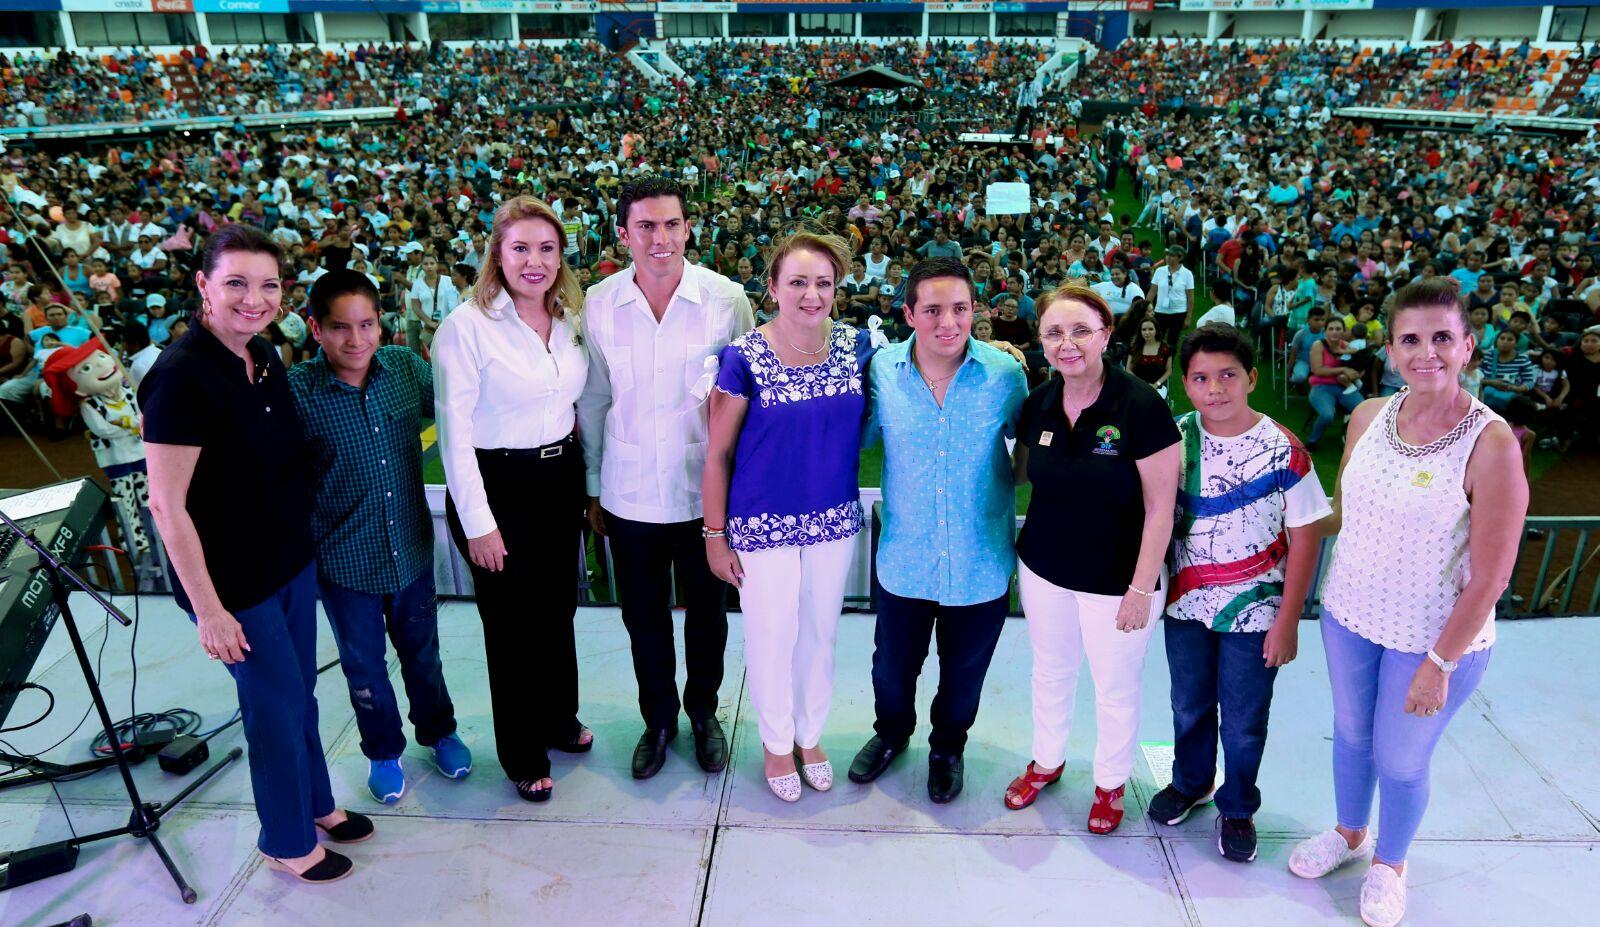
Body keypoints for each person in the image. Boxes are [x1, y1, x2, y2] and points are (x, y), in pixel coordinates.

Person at [1290, 279, 1526, 927]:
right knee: (1352, 734)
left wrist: (1440, 662)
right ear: (1391, 350)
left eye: (1442, 338)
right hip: (1349, 615)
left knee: (1398, 756)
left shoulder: (1492, 443)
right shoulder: (1367, 415)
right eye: (1411, 339)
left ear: (1468, 346)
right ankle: (1348, 831)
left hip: (1431, 638)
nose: (1427, 353)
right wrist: (1291, 523)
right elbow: (1345, 510)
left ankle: (1390, 863)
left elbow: (1492, 574)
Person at [140, 225, 371, 884]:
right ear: (203, 286)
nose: (254, 297)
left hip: (289, 560)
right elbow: (166, 505)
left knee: (302, 693)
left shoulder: (264, 354)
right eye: (236, 282)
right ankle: (287, 838)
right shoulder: (181, 378)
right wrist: (210, 610)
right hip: (236, 583)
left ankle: (317, 803)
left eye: (267, 284)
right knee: (272, 702)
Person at [577, 178, 754, 780]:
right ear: (623, 234)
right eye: (646, 227)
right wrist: (595, 485)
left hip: (704, 496)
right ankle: (658, 720)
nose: (661, 238)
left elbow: (745, 401)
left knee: (709, 615)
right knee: (642, 619)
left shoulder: (726, 300)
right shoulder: (598, 304)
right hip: (629, 494)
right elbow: (596, 398)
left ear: (688, 229)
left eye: (671, 225)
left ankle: (703, 713)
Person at [1147, 323, 1331, 863]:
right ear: (1185, 384)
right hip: (1185, 606)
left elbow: (1306, 540)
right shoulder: (1176, 439)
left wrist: (1289, 620)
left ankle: (1238, 805)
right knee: (1189, 703)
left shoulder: (1285, 450)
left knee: (1246, 717)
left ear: (1252, 378)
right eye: (1202, 378)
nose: (1216, 388)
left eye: (1228, 375)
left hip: (1258, 614)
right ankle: (1192, 781)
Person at [288, 269, 471, 806]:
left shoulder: (405, 369)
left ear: (381, 322)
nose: (356, 339)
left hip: (411, 552)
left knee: (424, 656)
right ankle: (383, 751)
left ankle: (439, 733)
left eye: (366, 324)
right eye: (340, 327)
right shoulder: (298, 393)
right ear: (315, 329)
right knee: (364, 669)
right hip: (344, 565)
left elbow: (462, 417)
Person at [849, 256, 1028, 804]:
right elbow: (855, 442)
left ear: (976, 309)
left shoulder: (1005, 374)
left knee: (965, 675)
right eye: (932, 310)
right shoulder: (881, 372)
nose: (947, 322)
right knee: (892, 670)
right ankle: (891, 734)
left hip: (980, 559)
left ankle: (948, 747)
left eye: (959, 308)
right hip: (906, 557)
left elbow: (1032, 448)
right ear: (908, 313)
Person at [1004, 284, 1180, 835]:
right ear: (1041, 340)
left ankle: (1109, 784)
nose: (1068, 343)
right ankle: (1046, 761)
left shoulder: (1142, 406)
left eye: (1081, 330)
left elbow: (1161, 509)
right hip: (1045, 568)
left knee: (1115, 686)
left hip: (1118, 580)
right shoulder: (1038, 402)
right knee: (1051, 672)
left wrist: (1141, 587)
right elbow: (1021, 475)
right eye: (1054, 332)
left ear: (1106, 334)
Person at [703, 229, 870, 802]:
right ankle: (777, 743)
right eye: (798, 282)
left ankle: (810, 735)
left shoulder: (856, 346)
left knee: (820, 634)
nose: (811, 294)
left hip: (832, 521)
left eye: (823, 283)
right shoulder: (744, 357)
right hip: (761, 524)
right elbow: (718, 452)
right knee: (772, 635)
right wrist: (714, 535)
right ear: (772, 288)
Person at [435, 196, 591, 803]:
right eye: (521, 248)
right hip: (496, 487)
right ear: (496, 255)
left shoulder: (569, 317)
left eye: (547, 248)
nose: (535, 261)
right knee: (511, 627)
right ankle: (522, 749)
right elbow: (455, 435)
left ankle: (558, 718)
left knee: (557, 612)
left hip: (558, 480)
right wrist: (479, 524)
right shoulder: (466, 327)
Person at [1306, 316, 1365, 450]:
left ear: (1343, 331)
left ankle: (1353, 440)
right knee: (1327, 415)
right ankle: (1312, 441)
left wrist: (1356, 373)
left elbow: (1358, 366)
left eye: (1338, 329)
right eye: (1331, 328)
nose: (1334, 332)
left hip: (1344, 386)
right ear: (1325, 331)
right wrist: (1343, 369)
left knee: (1363, 410)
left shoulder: (1346, 346)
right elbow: (1318, 370)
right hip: (1321, 386)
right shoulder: (1318, 345)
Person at [1149, 247, 1195, 348]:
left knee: (1172, 342)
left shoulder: (1187, 274)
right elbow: (1152, 291)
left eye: (1172, 255)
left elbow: (1190, 297)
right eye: (1167, 255)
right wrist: (1147, 308)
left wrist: (1188, 317)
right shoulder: (1159, 271)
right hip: (1160, 311)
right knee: (1156, 339)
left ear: (1180, 257)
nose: (1168, 258)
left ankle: (1169, 363)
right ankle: (1156, 362)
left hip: (1178, 312)